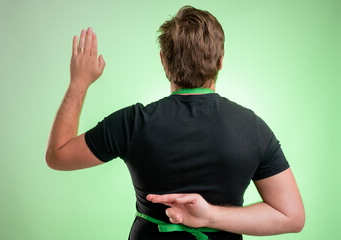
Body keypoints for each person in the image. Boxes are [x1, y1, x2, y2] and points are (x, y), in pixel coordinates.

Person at [45, 5, 305, 240]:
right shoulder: (253, 128)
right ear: (221, 60)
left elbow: (58, 156)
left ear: (163, 61)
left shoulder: (133, 122)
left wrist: (78, 83)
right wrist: (211, 216)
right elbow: (291, 216)